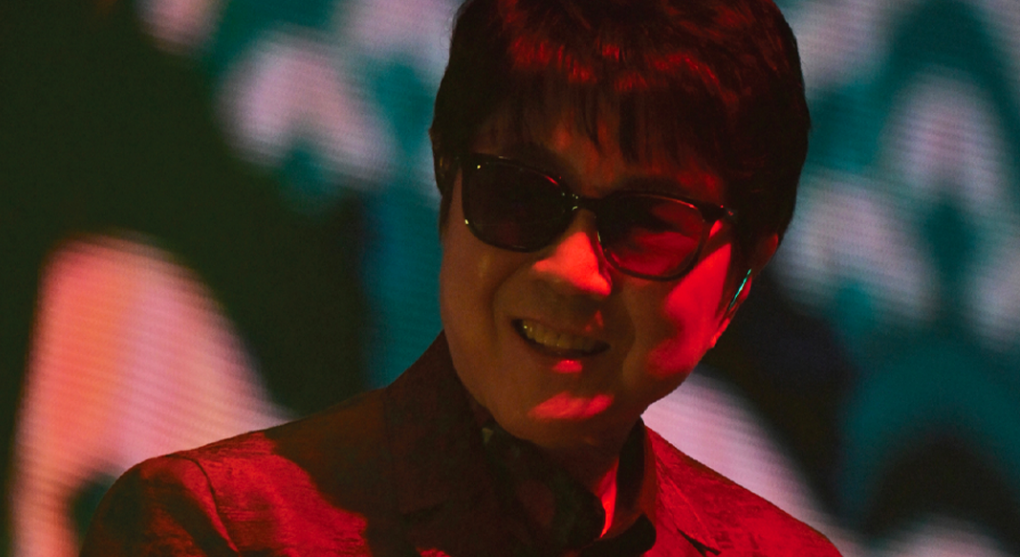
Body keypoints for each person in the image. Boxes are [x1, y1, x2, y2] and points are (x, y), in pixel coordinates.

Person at [81, 0, 842, 555]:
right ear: (446, 188)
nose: (571, 271)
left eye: (645, 223)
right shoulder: (219, 530)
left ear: (742, 276)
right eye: (520, 195)